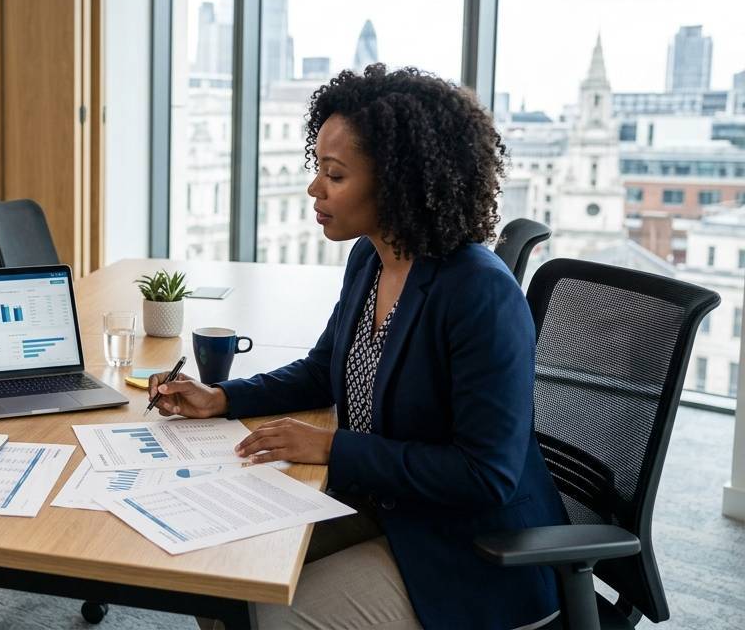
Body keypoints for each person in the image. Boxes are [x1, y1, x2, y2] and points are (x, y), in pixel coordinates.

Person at [151, 64, 566, 630]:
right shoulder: (371, 258)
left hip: (470, 549)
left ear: (397, 184)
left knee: (267, 620)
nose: (314, 189)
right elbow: (325, 371)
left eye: (336, 175)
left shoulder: (479, 294)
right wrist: (221, 397)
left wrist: (332, 448)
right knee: (219, 576)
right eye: (317, 169)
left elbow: (485, 473)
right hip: (387, 504)